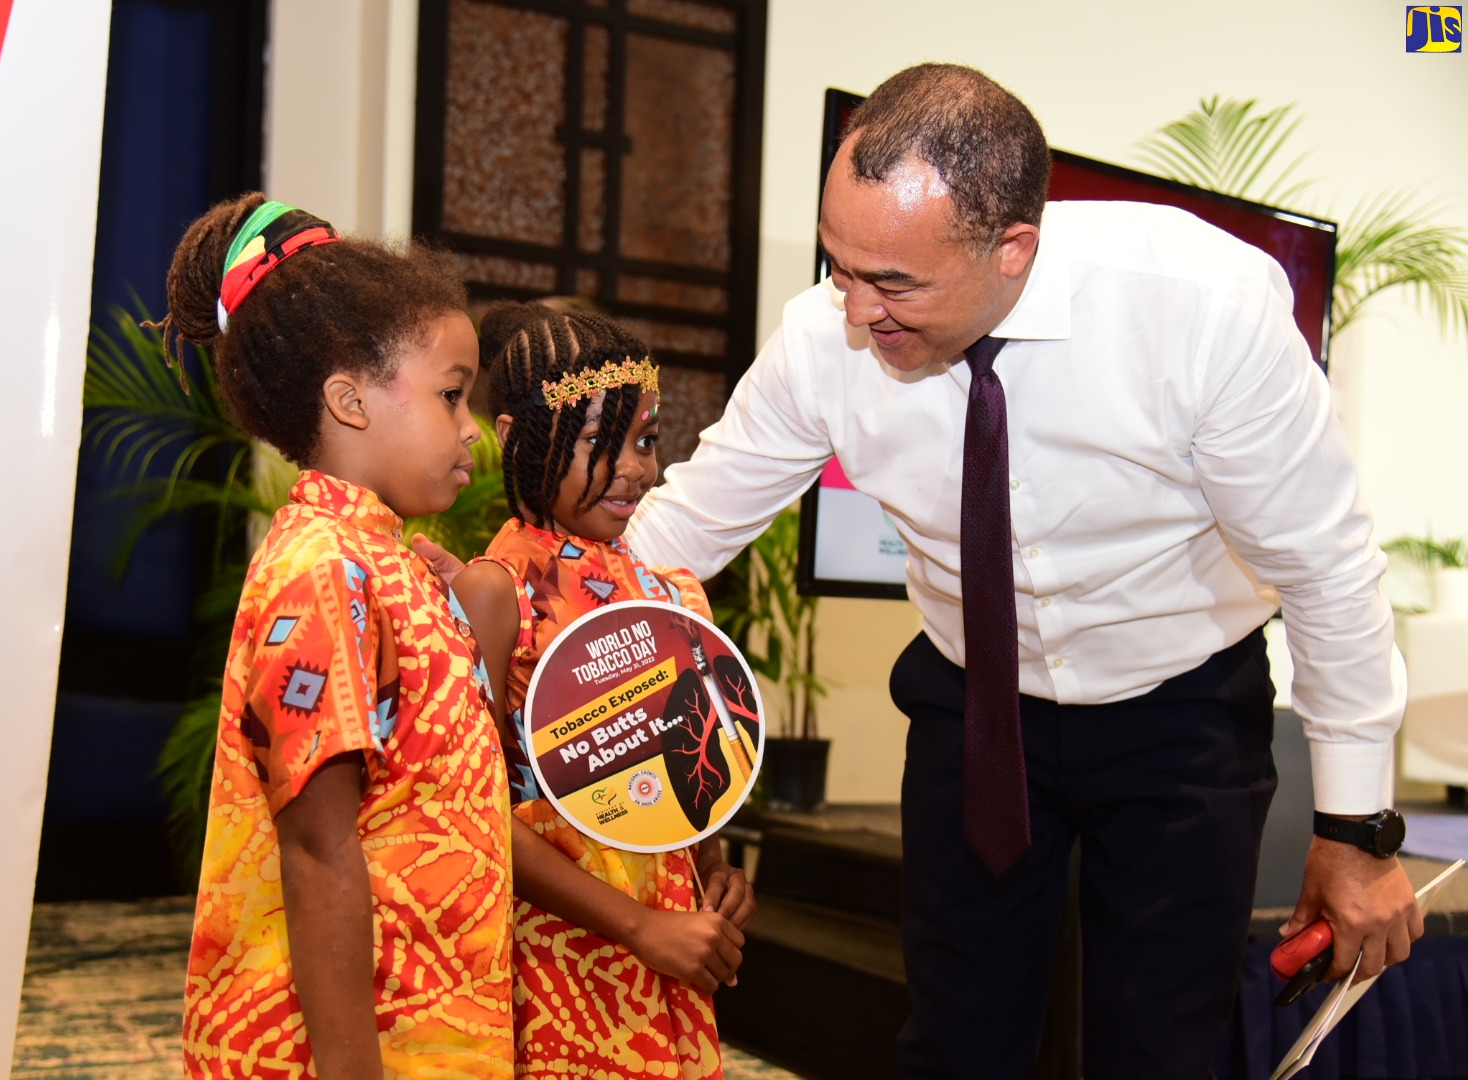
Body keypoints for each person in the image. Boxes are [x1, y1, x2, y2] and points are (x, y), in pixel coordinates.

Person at [624, 64, 1423, 1078]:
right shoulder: (823, 341)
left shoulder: (1200, 311)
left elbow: (1327, 568)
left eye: (895, 283)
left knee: (1161, 1045)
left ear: (1013, 248)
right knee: (957, 1038)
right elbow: (687, 527)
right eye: (840, 267)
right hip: (975, 710)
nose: (858, 312)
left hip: (1178, 711)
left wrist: (1357, 830)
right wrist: (521, 606)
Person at [167, 193, 514, 1079]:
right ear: (349, 400)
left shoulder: (382, 560)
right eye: (450, 394)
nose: (470, 426)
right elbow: (319, 849)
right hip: (357, 1049)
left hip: (433, 1020)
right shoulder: (327, 570)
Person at [450, 301, 754, 1080]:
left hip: (666, 944)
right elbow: (472, 817)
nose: (636, 468)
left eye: (645, 440)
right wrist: (636, 927)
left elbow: (697, 767)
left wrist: (713, 872)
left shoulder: (673, 591)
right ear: (520, 440)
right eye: (600, 442)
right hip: (554, 950)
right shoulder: (495, 593)